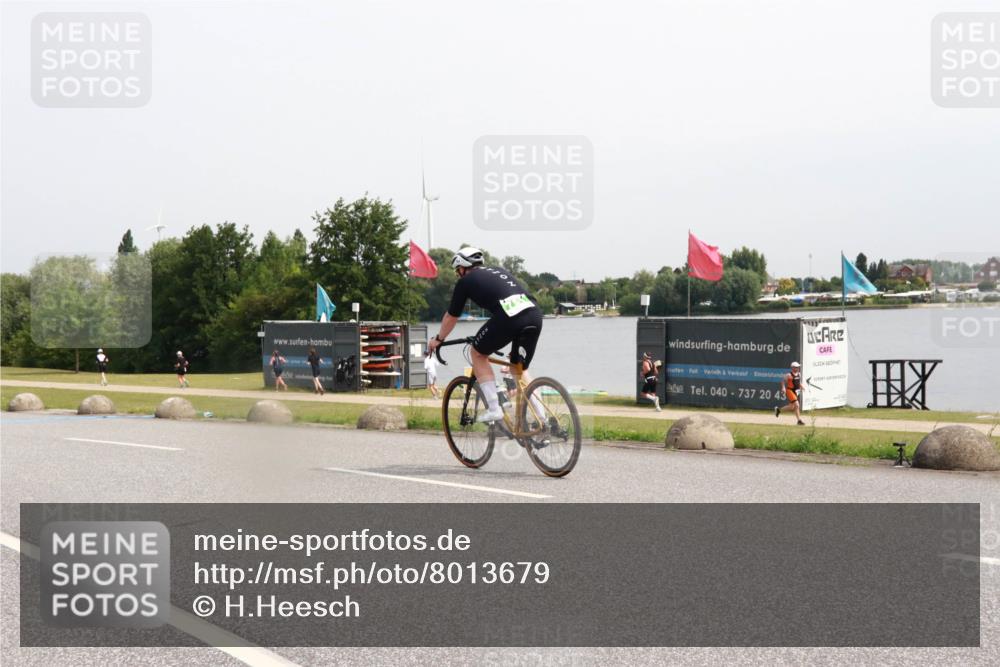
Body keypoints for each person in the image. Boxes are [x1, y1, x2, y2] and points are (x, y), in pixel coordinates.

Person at [427, 247, 544, 423]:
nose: (458, 275)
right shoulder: (499, 270)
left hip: (510, 316)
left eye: (458, 271)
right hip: (534, 314)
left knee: (477, 353)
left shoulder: (465, 282)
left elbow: (451, 316)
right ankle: (544, 420)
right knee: (518, 368)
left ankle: (494, 408)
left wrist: (438, 339)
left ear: (462, 267)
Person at [775, 361, 805, 425]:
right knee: (797, 405)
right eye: (796, 367)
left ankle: (778, 410)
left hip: (796, 392)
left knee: (791, 407)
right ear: (792, 368)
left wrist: (802, 387)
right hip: (790, 391)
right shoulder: (789, 375)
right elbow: (782, 381)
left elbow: (798, 382)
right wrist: (783, 388)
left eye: (798, 367)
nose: (798, 368)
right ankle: (799, 420)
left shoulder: (799, 374)